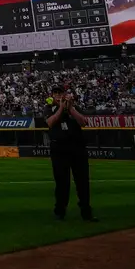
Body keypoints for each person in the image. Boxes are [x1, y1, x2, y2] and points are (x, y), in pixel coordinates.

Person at [44, 84, 97, 222]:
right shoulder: (49, 108)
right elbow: (50, 122)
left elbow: (84, 122)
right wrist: (61, 108)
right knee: (62, 183)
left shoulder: (74, 107)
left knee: (82, 182)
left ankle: (86, 212)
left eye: (59, 92)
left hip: (77, 148)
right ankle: (60, 212)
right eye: (54, 93)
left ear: (64, 93)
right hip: (59, 149)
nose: (57, 95)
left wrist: (70, 108)